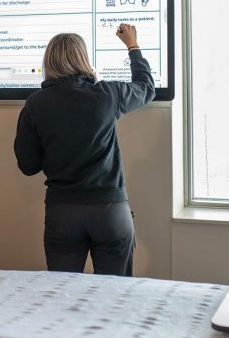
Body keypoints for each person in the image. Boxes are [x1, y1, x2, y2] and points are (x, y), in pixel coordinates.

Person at [14, 24, 155, 276]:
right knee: (116, 298)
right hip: (110, 211)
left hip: (62, 213)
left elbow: (28, 166)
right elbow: (146, 88)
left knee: (64, 295)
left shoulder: (35, 104)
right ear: (83, 59)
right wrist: (132, 46)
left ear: (48, 62)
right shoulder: (107, 94)